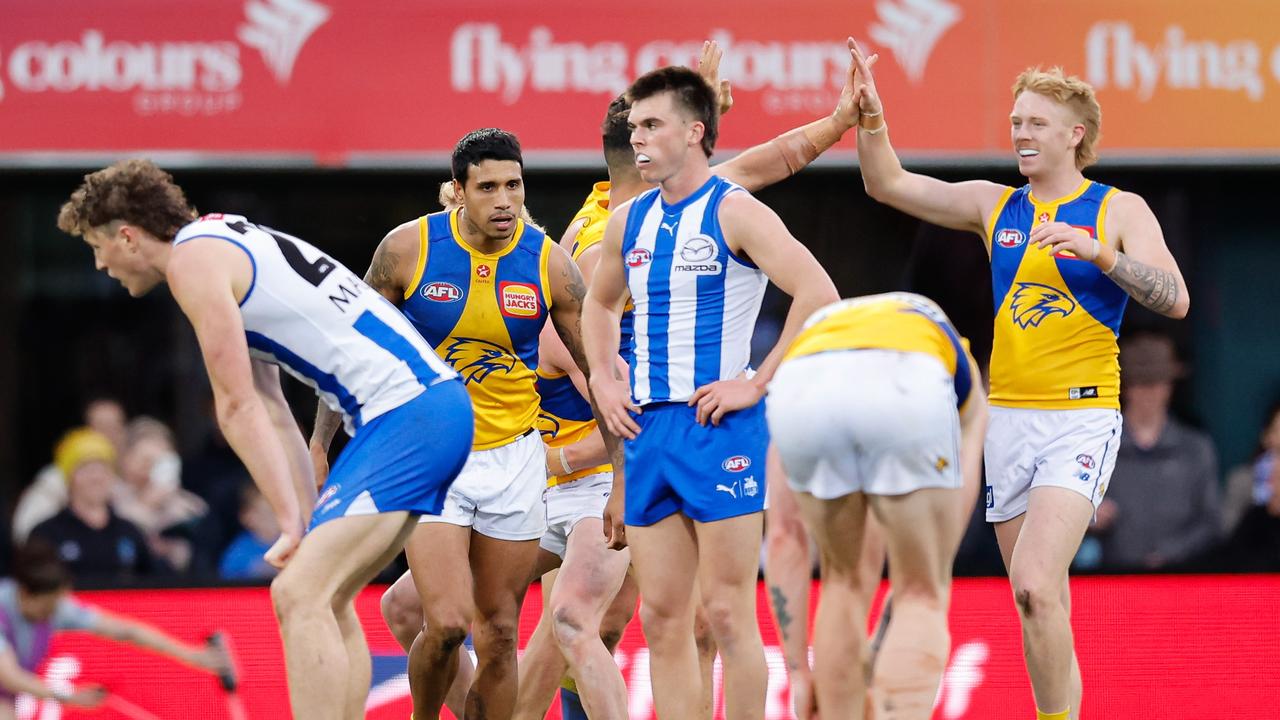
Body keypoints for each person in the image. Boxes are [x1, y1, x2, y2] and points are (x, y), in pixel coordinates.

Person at [517, 39, 867, 720]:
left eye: (652, 125)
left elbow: (818, 291)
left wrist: (756, 384)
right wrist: (608, 385)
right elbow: (595, 304)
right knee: (663, 619)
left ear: (694, 132)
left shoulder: (734, 208)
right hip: (649, 431)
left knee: (728, 616)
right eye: (635, 128)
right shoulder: (625, 221)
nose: (639, 137)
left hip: (719, 427)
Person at [847, 38, 1190, 720]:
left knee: (1035, 583)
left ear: (1074, 134)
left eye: (1035, 123)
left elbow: (1175, 297)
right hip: (1006, 419)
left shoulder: (1118, 210)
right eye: (1016, 122)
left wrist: (1101, 255)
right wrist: (871, 117)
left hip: (1082, 416)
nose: (1021, 133)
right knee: (1039, 602)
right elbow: (888, 184)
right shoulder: (993, 205)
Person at [57, 158, 473, 719]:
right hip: (425, 409)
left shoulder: (191, 262)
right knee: (329, 598)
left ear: (127, 235)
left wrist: (286, 522)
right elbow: (273, 405)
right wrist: (302, 517)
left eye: (97, 246)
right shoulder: (222, 238)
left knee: (297, 594)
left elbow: (236, 406)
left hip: (409, 414)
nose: (100, 263)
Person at [311, 128, 598, 720]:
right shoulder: (407, 250)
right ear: (458, 193)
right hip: (435, 454)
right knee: (443, 623)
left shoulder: (550, 264)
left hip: (517, 459)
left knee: (498, 636)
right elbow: (351, 346)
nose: (504, 200)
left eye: (514, 185)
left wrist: (625, 467)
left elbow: (603, 374)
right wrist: (321, 442)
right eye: (488, 187)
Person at [767, 292, 987, 719]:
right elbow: (955, 513)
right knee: (921, 593)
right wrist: (925, 573)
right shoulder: (965, 372)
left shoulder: (811, 343)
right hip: (908, 373)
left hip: (800, 382)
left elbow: (783, 535)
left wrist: (797, 671)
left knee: (842, 582)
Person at [0, 542, 230, 719]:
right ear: (25, 594)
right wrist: (70, 696)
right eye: (48, 606)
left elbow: (125, 631)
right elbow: (9, 677)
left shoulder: (55, 606)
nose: (54, 613)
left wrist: (190, 655)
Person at [1090, 333, 1220, 569]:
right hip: (1111, 581)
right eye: (1141, 383)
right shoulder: (1098, 447)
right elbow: (1059, 510)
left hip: (1180, 580)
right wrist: (1089, 516)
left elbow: (1211, 522)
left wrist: (1169, 553)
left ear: (1169, 386)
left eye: (1156, 382)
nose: (1149, 393)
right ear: (1125, 386)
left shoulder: (1195, 448)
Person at [29, 428, 162, 583]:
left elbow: (154, 583)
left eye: (103, 468)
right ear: (69, 478)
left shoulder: (129, 532)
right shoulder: (46, 534)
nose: (96, 477)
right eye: (86, 468)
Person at [218, 483, 280, 580]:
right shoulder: (239, 550)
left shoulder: (297, 543)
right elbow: (226, 579)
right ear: (247, 517)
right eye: (265, 514)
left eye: (277, 513)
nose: (274, 520)